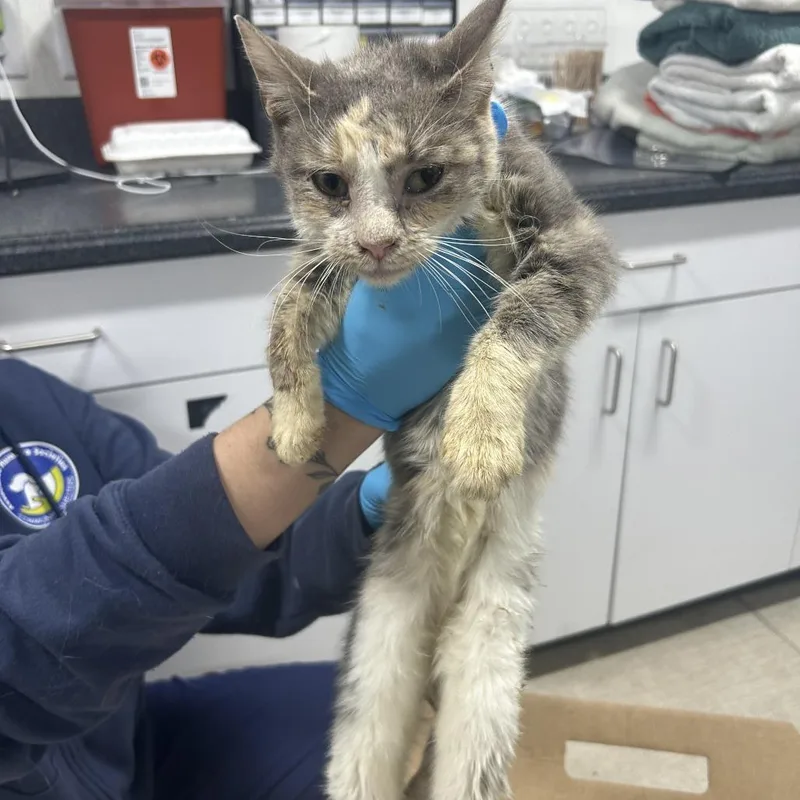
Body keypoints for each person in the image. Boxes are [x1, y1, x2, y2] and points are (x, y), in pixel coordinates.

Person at [0, 236, 498, 800]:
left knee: (378, 701)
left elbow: (215, 560)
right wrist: (337, 406)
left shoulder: (29, 402)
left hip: (124, 745)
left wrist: (365, 513)